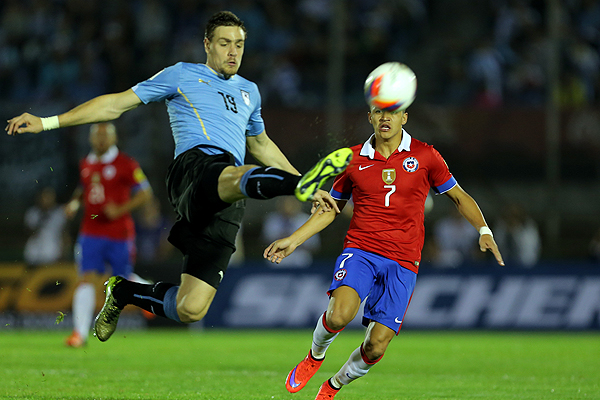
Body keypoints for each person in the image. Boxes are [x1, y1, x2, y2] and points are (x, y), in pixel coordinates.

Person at [6, 11, 351, 343]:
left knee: (190, 307)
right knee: (237, 174)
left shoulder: (250, 91)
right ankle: (300, 185)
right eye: (224, 43)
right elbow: (116, 104)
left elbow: (260, 144)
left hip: (226, 200)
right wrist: (47, 122)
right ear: (207, 44)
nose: (233, 52)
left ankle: (123, 291)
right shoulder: (182, 74)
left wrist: (307, 185)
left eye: (239, 44)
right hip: (194, 170)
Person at [264, 103, 504, 399]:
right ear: (370, 117)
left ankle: (333, 385)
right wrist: (294, 239)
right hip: (361, 250)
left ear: (404, 117)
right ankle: (314, 356)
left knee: (376, 346)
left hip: (403, 261)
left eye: (392, 112)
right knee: (338, 316)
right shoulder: (353, 158)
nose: (385, 117)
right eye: (378, 112)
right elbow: (331, 208)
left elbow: (459, 196)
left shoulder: (426, 155)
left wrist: (484, 230)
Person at [64, 122, 153, 347]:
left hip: (119, 233)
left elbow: (145, 193)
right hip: (90, 231)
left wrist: (120, 209)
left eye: (105, 135)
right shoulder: (86, 163)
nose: (101, 139)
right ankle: (79, 335)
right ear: (90, 138)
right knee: (86, 278)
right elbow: (83, 187)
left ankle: (148, 293)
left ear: (114, 139)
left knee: (122, 278)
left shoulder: (126, 163)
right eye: (97, 135)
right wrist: (74, 203)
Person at [262, 196, 320, 268]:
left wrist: (294, 241)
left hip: (301, 259)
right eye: (285, 204)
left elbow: (314, 245)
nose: (288, 207)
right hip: (276, 259)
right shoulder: (272, 219)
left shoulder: (305, 219)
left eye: (291, 204)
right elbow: (265, 241)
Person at [23, 186, 68, 267]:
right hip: (34, 252)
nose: (47, 200)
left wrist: (64, 252)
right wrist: (42, 217)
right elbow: (27, 232)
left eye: (49, 197)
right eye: (44, 197)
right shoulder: (32, 213)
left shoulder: (60, 213)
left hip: (52, 252)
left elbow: (65, 234)